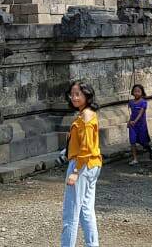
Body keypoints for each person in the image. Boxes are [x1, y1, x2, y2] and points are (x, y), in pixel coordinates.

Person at [59, 80, 102, 247]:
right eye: (72, 94)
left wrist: (76, 171)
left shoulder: (85, 117)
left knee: (71, 214)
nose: (74, 97)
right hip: (92, 165)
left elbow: (86, 148)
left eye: (78, 94)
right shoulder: (89, 114)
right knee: (86, 211)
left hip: (82, 165)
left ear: (87, 95)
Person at [127, 84, 152, 165]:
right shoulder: (131, 102)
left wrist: (135, 121)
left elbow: (140, 113)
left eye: (138, 91)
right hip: (132, 125)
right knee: (132, 141)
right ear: (132, 92)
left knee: (143, 142)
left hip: (141, 125)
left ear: (142, 93)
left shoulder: (143, 102)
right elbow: (131, 113)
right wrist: (129, 121)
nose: (136, 93)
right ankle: (135, 159)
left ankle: (150, 149)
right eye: (135, 91)